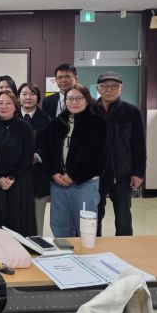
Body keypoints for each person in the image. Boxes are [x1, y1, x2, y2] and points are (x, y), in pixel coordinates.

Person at [43, 84, 107, 238]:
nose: (74, 102)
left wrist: (73, 175)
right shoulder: (57, 123)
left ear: (87, 100)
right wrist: (54, 172)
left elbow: (97, 156)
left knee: (85, 228)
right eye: (70, 98)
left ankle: (85, 253)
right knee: (60, 226)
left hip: (85, 183)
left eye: (79, 98)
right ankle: (64, 253)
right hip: (58, 183)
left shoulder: (97, 122)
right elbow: (47, 151)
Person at [94, 71, 146, 236]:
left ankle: (125, 248)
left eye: (114, 86)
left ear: (121, 89)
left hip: (122, 174)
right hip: (96, 174)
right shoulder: (90, 110)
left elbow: (139, 145)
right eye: (105, 86)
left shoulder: (131, 111)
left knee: (123, 217)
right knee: (94, 215)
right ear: (98, 89)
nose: (109, 90)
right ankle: (94, 245)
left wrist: (138, 173)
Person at [0, 91, 35, 236]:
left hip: (20, 182)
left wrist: (12, 177)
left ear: (15, 106)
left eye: (8, 103)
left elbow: (28, 156)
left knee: (19, 222)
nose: (4, 106)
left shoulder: (24, 127)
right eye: (0, 103)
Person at [18, 82, 52, 234]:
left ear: (38, 97)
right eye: (24, 94)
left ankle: (36, 244)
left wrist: (37, 155)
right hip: (16, 176)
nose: (28, 97)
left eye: (32, 94)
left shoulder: (46, 118)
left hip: (38, 174)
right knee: (17, 217)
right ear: (18, 97)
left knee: (37, 218)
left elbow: (50, 145)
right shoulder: (11, 115)